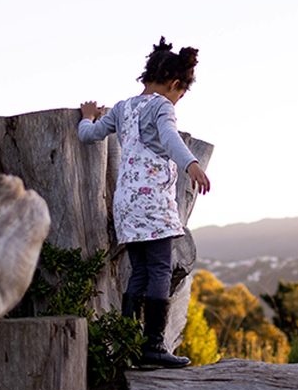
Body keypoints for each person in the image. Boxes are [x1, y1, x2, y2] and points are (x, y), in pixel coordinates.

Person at [78, 37, 212, 368]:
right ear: (175, 84)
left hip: (126, 204)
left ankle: (127, 344)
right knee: (160, 270)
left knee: (139, 270)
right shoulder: (162, 107)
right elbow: (169, 138)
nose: (177, 102)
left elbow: (89, 135)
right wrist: (191, 164)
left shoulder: (123, 108)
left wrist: (87, 117)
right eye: (180, 95)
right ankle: (153, 345)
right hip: (152, 203)